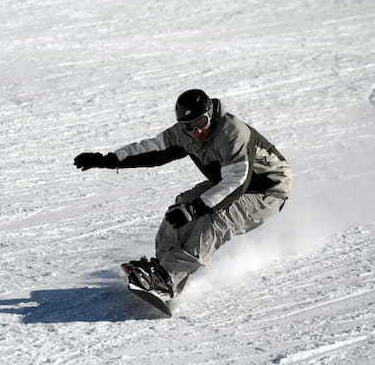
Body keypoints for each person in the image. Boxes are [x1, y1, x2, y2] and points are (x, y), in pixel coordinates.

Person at [73, 89, 292, 300]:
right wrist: (108, 160)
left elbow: (238, 181)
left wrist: (198, 208)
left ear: (210, 116)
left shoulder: (232, 132)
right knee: (182, 206)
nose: (196, 132)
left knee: (215, 219)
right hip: (229, 183)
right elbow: (154, 148)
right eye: (189, 127)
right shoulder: (185, 133)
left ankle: (169, 280)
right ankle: (161, 268)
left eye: (201, 124)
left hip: (266, 190)